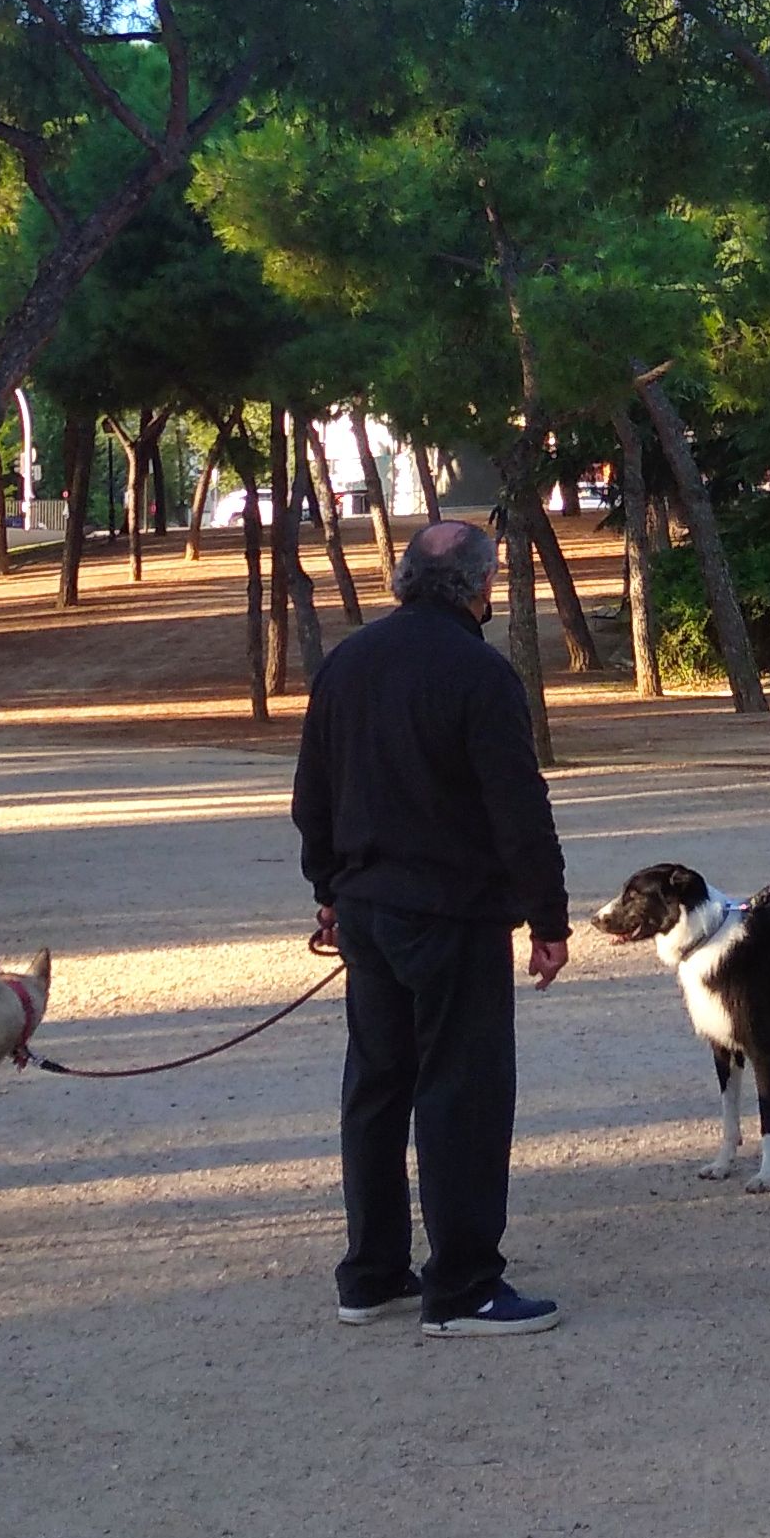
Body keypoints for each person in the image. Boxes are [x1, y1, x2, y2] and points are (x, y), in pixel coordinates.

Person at [292, 518, 571, 1337]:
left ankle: (372, 1272)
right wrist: (548, 918)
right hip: (452, 913)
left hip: (368, 909)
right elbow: (519, 810)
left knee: (378, 1087)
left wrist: (329, 888)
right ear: (484, 588)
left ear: (400, 578)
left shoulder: (345, 664)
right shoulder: (481, 674)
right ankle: (464, 1286)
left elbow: (312, 794)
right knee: (464, 1091)